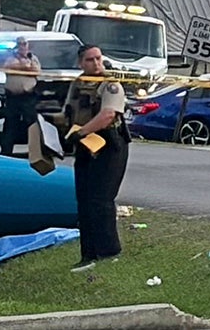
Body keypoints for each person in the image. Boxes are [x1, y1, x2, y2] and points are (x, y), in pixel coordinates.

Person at [64, 44, 131, 272]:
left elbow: (107, 115)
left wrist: (81, 132)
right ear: (81, 63)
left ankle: (109, 252)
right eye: (90, 60)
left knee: (101, 200)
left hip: (109, 144)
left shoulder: (110, 85)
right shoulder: (78, 84)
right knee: (84, 200)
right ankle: (88, 254)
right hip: (84, 145)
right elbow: (68, 112)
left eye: (98, 59)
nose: (96, 64)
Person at [1, 36, 42, 156]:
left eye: (24, 44)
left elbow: (37, 71)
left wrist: (24, 67)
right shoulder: (10, 58)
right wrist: (26, 68)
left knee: (32, 124)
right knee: (10, 124)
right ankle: (6, 152)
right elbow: (9, 68)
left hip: (28, 97)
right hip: (12, 97)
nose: (22, 46)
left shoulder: (33, 58)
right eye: (20, 44)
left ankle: (34, 152)